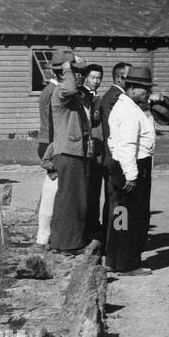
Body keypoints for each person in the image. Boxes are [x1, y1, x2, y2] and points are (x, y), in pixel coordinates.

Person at [105, 66, 157, 275]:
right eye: (145, 89)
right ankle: (129, 264)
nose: (147, 94)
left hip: (120, 166)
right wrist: (132, 175)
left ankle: (113, 259)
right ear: (134, 88)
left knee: (120, 215)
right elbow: (127, 145)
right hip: (133, 167)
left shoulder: (125, 106)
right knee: (135, 217)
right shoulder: (129, 112)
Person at [48, 50, 93, 253]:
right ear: (63, 72)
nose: (80, 75)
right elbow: (70, 89)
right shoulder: (61, 92)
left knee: (73, 199)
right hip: (68, 153)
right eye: (75, 71)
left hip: (75, 152)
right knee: (71, 200)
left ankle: (64, 242)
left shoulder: (72, 93)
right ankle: (68, 244)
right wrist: (67, 67)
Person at [34, 50, 71, 244]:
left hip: (54, 142)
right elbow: (51, 124)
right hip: (51, 144)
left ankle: (52, 234)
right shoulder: (53, 91)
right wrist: (52, 152)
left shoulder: (57, 89)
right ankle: (43, 237)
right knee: (51, 195)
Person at [96, 62, 131, 249]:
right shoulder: (115, 98)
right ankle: (117, 244)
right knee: (120, 203)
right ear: (119, 78)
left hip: (113, 157)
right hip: (117, 159)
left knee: (114, 202)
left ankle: (110, 241)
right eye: (129, 78)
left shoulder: (114, 97)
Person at [81, 64, 106, 244]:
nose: (96, 81)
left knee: (95, 189)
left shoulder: (97, 97)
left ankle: (93, 224)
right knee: (88, 190)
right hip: (85, 148)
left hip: (97, 148)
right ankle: (88, 226)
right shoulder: (82, 96)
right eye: (93, 77)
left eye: (98, 78)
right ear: (86, 78)